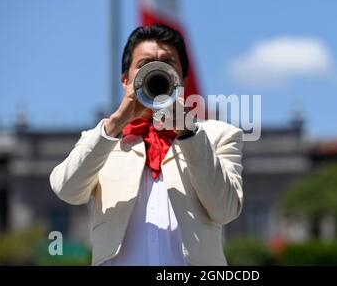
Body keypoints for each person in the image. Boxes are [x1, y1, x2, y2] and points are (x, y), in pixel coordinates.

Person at [49, 24, 244, 266]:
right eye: (145, 65)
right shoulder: (101, 139)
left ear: (182, 80)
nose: (156, 72)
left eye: (167, 64)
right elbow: (67, 189)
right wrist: (116, 122)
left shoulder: (219, 135)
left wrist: (188, 134)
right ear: (125, 80)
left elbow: (224, 210)